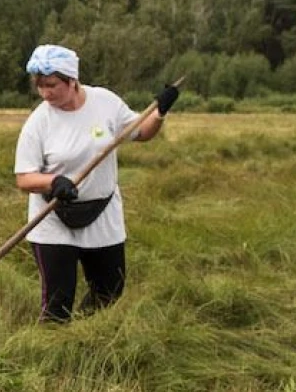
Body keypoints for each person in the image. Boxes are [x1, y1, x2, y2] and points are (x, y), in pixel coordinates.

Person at [12, 44, 178, 322]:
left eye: (52, 85)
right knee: (57, 302)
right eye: (40, 86)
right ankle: (53, 349)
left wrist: (159, 112)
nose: (45, 93)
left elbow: (141, 132)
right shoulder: (38, 122)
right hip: (53, 218)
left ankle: (87, 336)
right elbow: (24, 178)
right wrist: (53, 182)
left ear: (71, 80)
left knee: (109, 291)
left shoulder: (106, 102)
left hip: (103, 213)